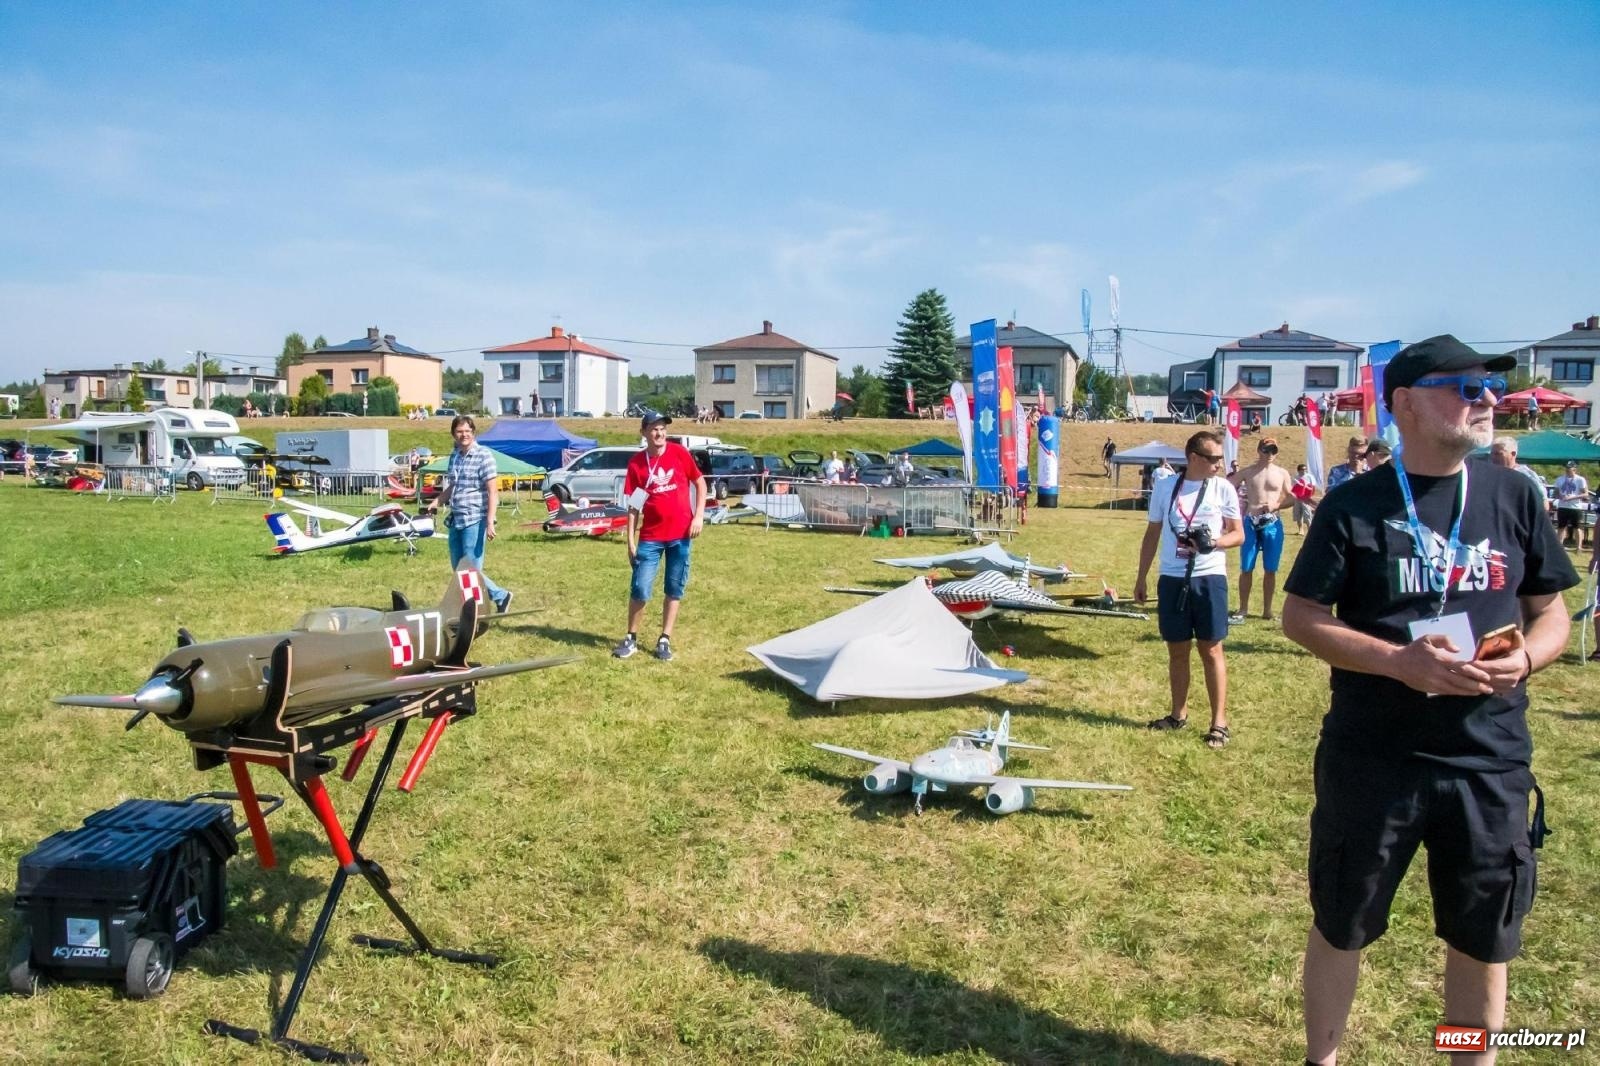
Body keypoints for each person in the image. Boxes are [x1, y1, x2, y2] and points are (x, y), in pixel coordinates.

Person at [1280, 335, 1577, 1065]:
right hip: (1375, 758)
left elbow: (1553, 613)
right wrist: (1397, 662)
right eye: (1465, 387)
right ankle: (1323, 1059)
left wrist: (1529, 659)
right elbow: (1301, 617)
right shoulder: (1353, 504)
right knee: (1342, 923)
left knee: (1481, 939)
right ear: (1406, 403)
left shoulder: (1515, 495)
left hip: (1488, 759)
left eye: (1489, 388)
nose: (1486, 400)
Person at [1133, 429, 1244, 749]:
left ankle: (1219, 723)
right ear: (1194, 458)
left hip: (1209, 578)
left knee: (1211, 649)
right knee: (1177, 649)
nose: (1219, 465)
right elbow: (1152, 533)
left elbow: (1238, 535)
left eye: (1221, 459)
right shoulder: (1166, 486)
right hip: (1172, 578)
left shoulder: (1223, 488)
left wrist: (1213, 543)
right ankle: (1177, 714)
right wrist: (1141, 578)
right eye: (1214, 459)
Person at [615, 412, 706, 662]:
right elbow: (634, 507)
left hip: (680, 535)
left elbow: (700, 483)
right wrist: (630, 543)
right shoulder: (637, 464)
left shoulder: (679, 453)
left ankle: (664, 639)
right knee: (641, 588)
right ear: (644, 432)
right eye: (654, 429)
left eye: (663, 429)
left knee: (674, 588)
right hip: (651, 538)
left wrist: (698, 516)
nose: (660, 434)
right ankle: (631, 638)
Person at [423, 415, 513, 613]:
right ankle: (500, 595)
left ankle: (475, 609)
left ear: (473, 433)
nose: (464, 435)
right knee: (459, 569)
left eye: (467, 431)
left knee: (471, 569)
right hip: (456, 518)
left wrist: (490, 521)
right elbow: (453, 486)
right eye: (459, 431)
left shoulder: (484, 456)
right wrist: (437, 501)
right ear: (453, 434)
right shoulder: (455, 456)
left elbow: (492, 492)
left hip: (475, 518)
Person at [1229, 436, 1293, 622]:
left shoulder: (1281, 473)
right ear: (1259, 451)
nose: (1270, 454)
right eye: (1266, 450)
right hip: (1250, 522)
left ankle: (1267, 610)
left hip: (1272, 523)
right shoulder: (1248, 472)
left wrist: (1276, 505)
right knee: (1246, 567)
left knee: (1270, 569)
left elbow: (1291, 497)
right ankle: (1243, 608)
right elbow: (1227, 486)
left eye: (1273, 450)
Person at [1487, 438, 1546, 504]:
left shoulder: (1526, 475)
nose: (1493, 457)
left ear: (1513, 454)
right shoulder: (1489, 475)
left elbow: (1543, 503)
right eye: (1492, 454)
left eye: (1498, 454)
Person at [1554, 460, 1590, 551]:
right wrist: (1561, 496)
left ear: (1574, 469)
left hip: (1575, 507)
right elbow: (1556, 493)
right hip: (1562, 506)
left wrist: (1573, 497)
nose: (1567, 470)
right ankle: (1559, 547)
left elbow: (1586, 494)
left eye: (1569, 468)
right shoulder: (1560, 479)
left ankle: (1578, 547)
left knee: (1577, 527)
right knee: (1561, 527)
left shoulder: (1580, 479)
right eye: (1566, 468)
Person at [1290, 463, 1317, 535]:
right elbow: (1293, 488)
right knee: (1298, 515)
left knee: (1307, 515)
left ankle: (1310, 531)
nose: (1304, 471)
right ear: (1298, 470)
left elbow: (1313, 488)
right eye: (1302, 469)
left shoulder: (1310, 477)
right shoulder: (1295, 477)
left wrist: (1309, 496)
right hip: (1297, 499)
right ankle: (1301, 530)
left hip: (1306, 499)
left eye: (1305, 469)